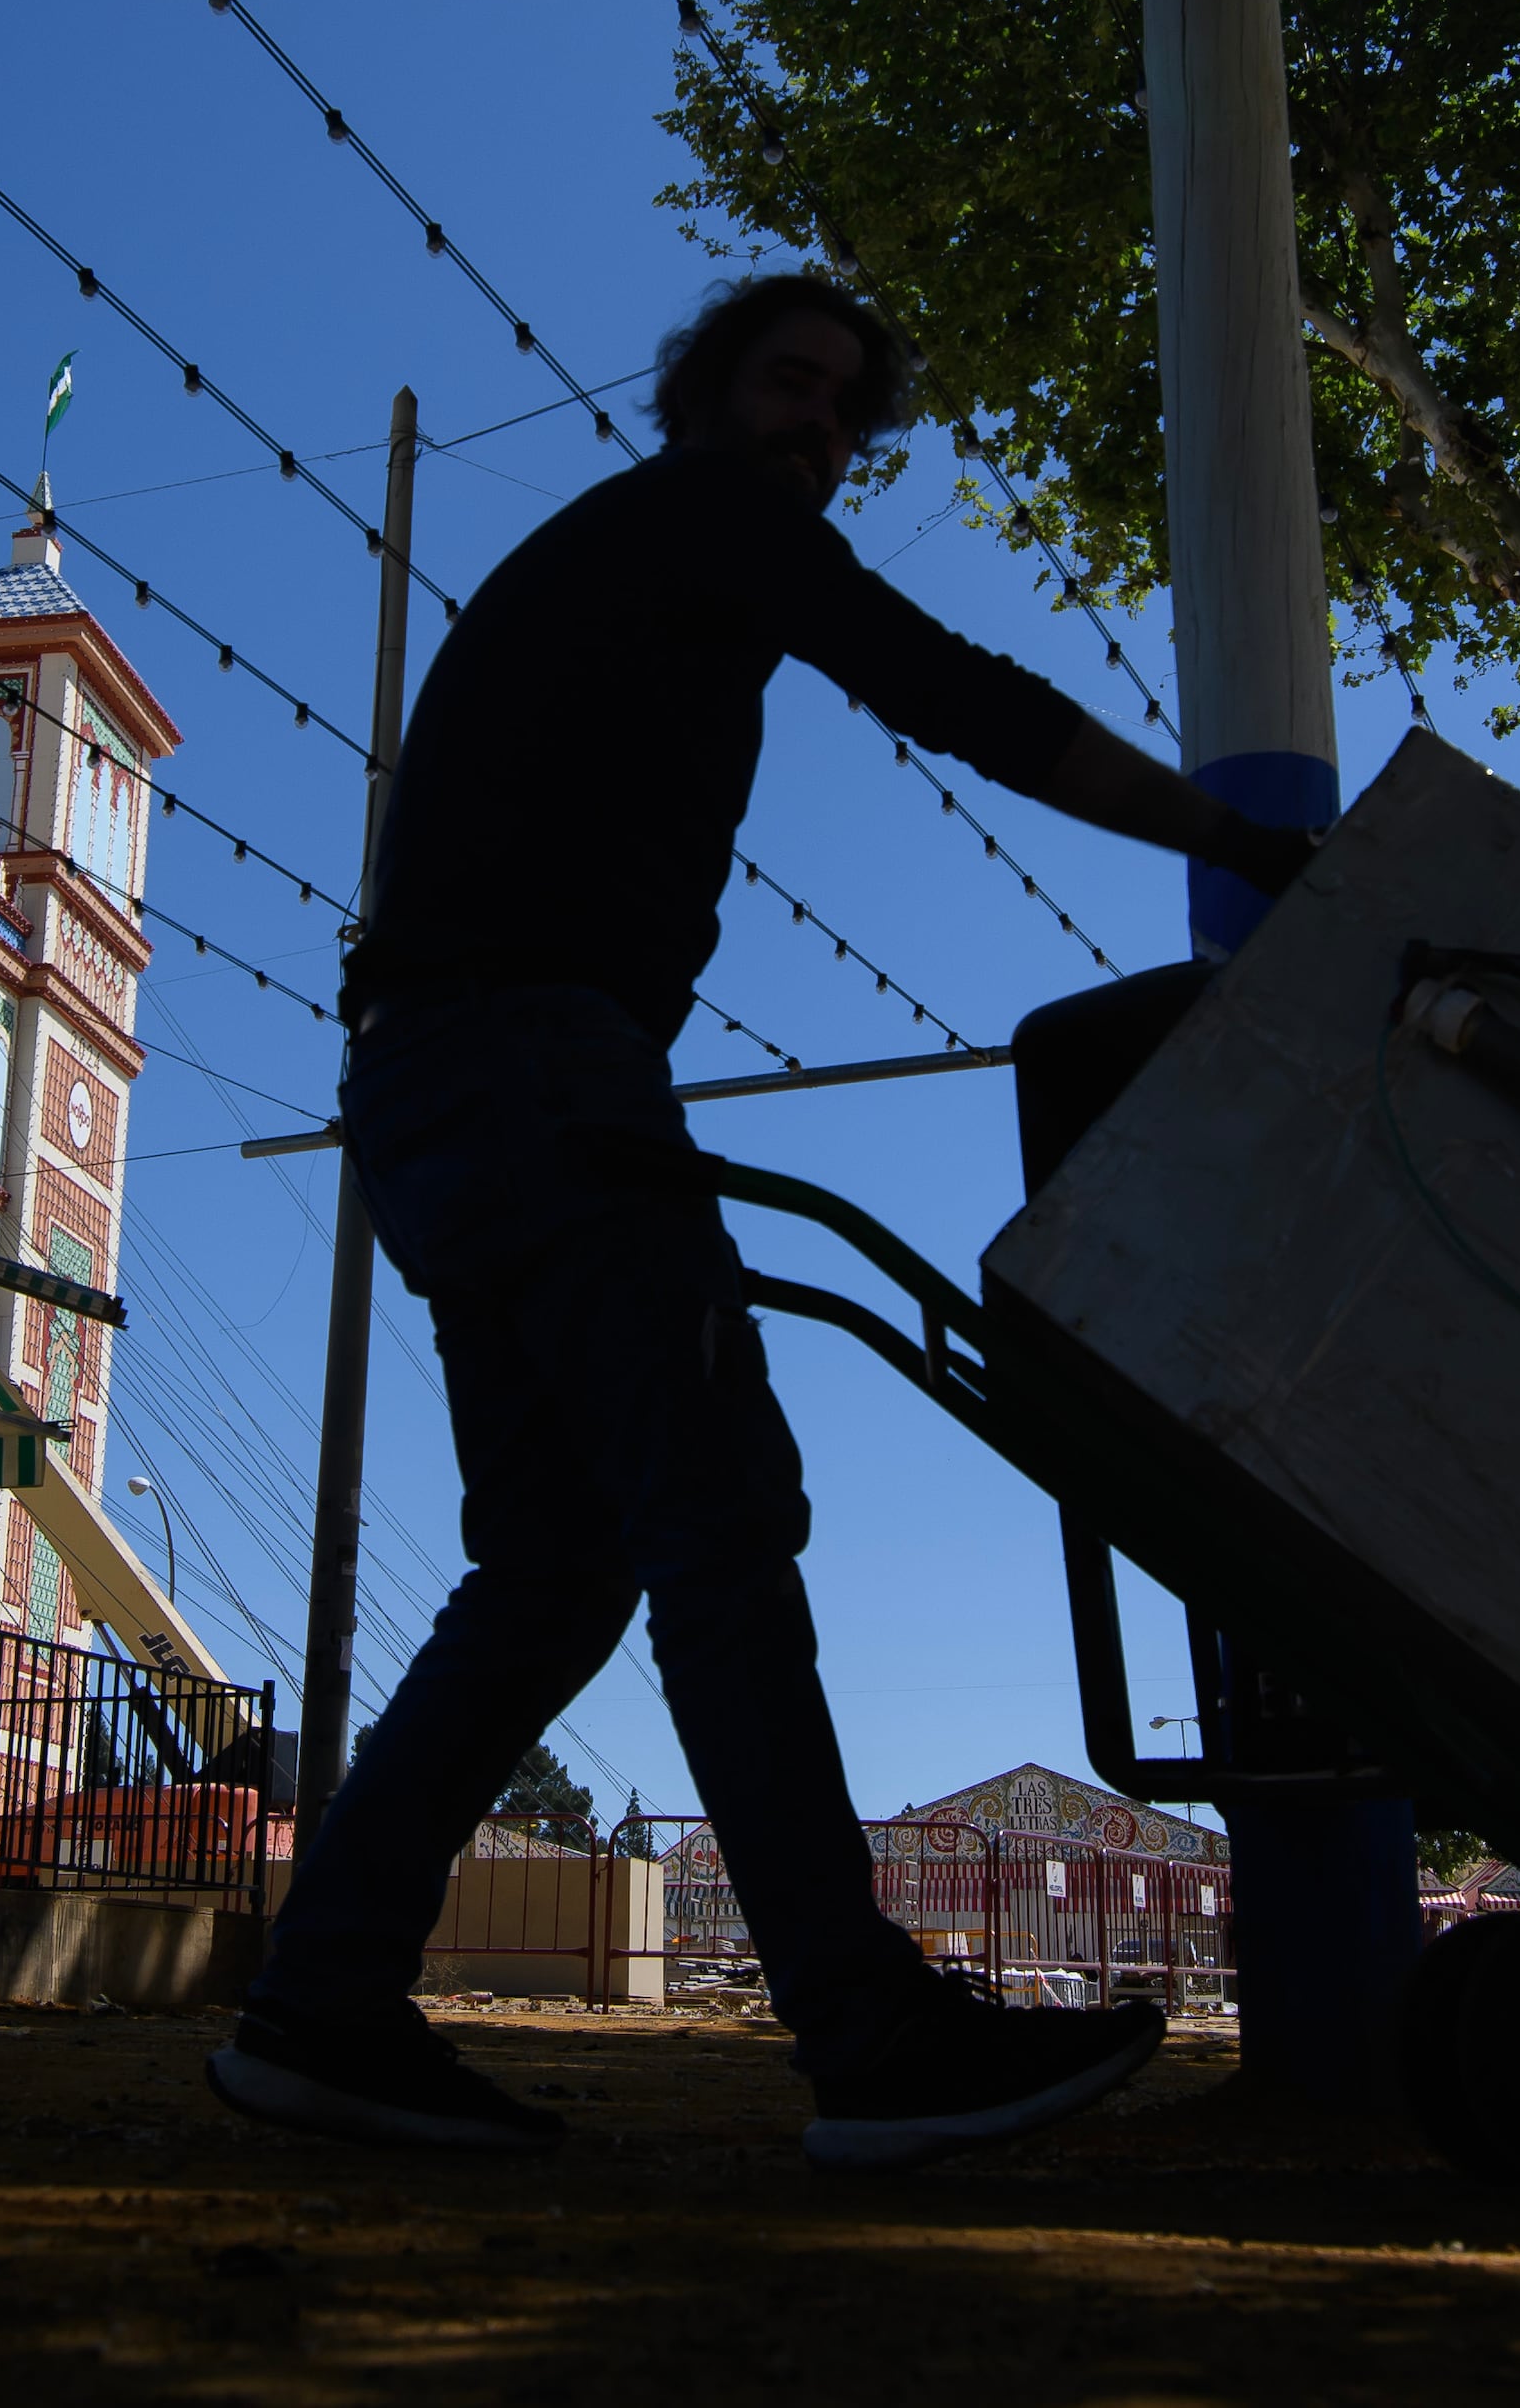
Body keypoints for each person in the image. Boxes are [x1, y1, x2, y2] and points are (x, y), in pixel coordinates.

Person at [208, 271, 1318, 2171]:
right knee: (720, 1517)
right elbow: (957, 695)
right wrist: (1234, 842)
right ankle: (868, 2030)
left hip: (434, 1087)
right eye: (786, 385)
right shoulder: (709, 516)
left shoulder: (624, 555)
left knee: (557, 1562)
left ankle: (321, 2005)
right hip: (543, 1066)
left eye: (840, 415)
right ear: (703, 395)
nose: (814, 429)